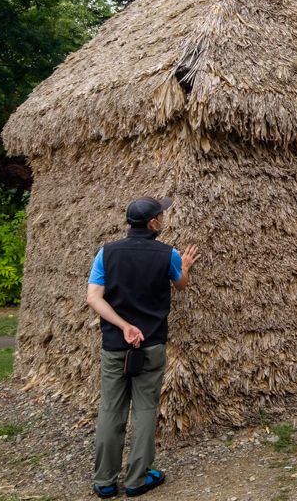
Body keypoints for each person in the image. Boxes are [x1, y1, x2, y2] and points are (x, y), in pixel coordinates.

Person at [87, 196, 199, 498]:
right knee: (145, 410)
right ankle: (137, 480)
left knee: (111, 410)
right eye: (161, 215)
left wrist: (124, 327)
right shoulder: (168, 255)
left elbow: (94, 298)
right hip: (150, 345)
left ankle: (105, 481)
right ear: (152, 223)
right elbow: (180, 285)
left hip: (114, 346)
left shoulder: (106, 254)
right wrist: (184, 266)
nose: (163, 218)